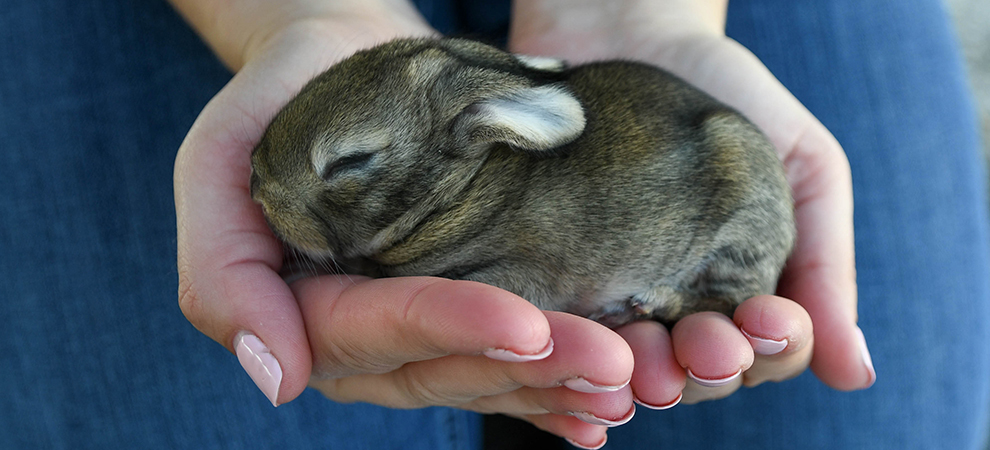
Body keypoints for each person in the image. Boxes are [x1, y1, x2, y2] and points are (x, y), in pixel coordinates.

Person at [0, 0, 986, 449]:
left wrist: (652, 15)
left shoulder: (505, 163)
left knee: (866, 428)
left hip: (649, 117)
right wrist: (288, 18)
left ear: (483, 136)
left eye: (345, 169)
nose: (276, 206)